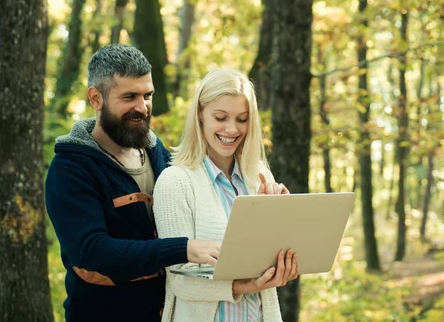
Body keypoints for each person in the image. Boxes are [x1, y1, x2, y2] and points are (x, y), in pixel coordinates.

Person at [45, 44, 221, 322]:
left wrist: (261, 193)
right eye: (129, 96)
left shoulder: (158, 153)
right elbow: (92, 252)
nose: (142, 107)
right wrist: (183, 248)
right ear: (96, 98)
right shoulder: (70, 169)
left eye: (147, 95)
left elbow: (208, 194)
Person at [153, 68, 298, 322]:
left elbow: (264, 259)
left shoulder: (260, 178)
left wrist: (280, 226)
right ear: (200, 114)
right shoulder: (174, 182)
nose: (232, 129)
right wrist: (247, 285)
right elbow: (181, 282)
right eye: (221, 117)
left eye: (242, 119)